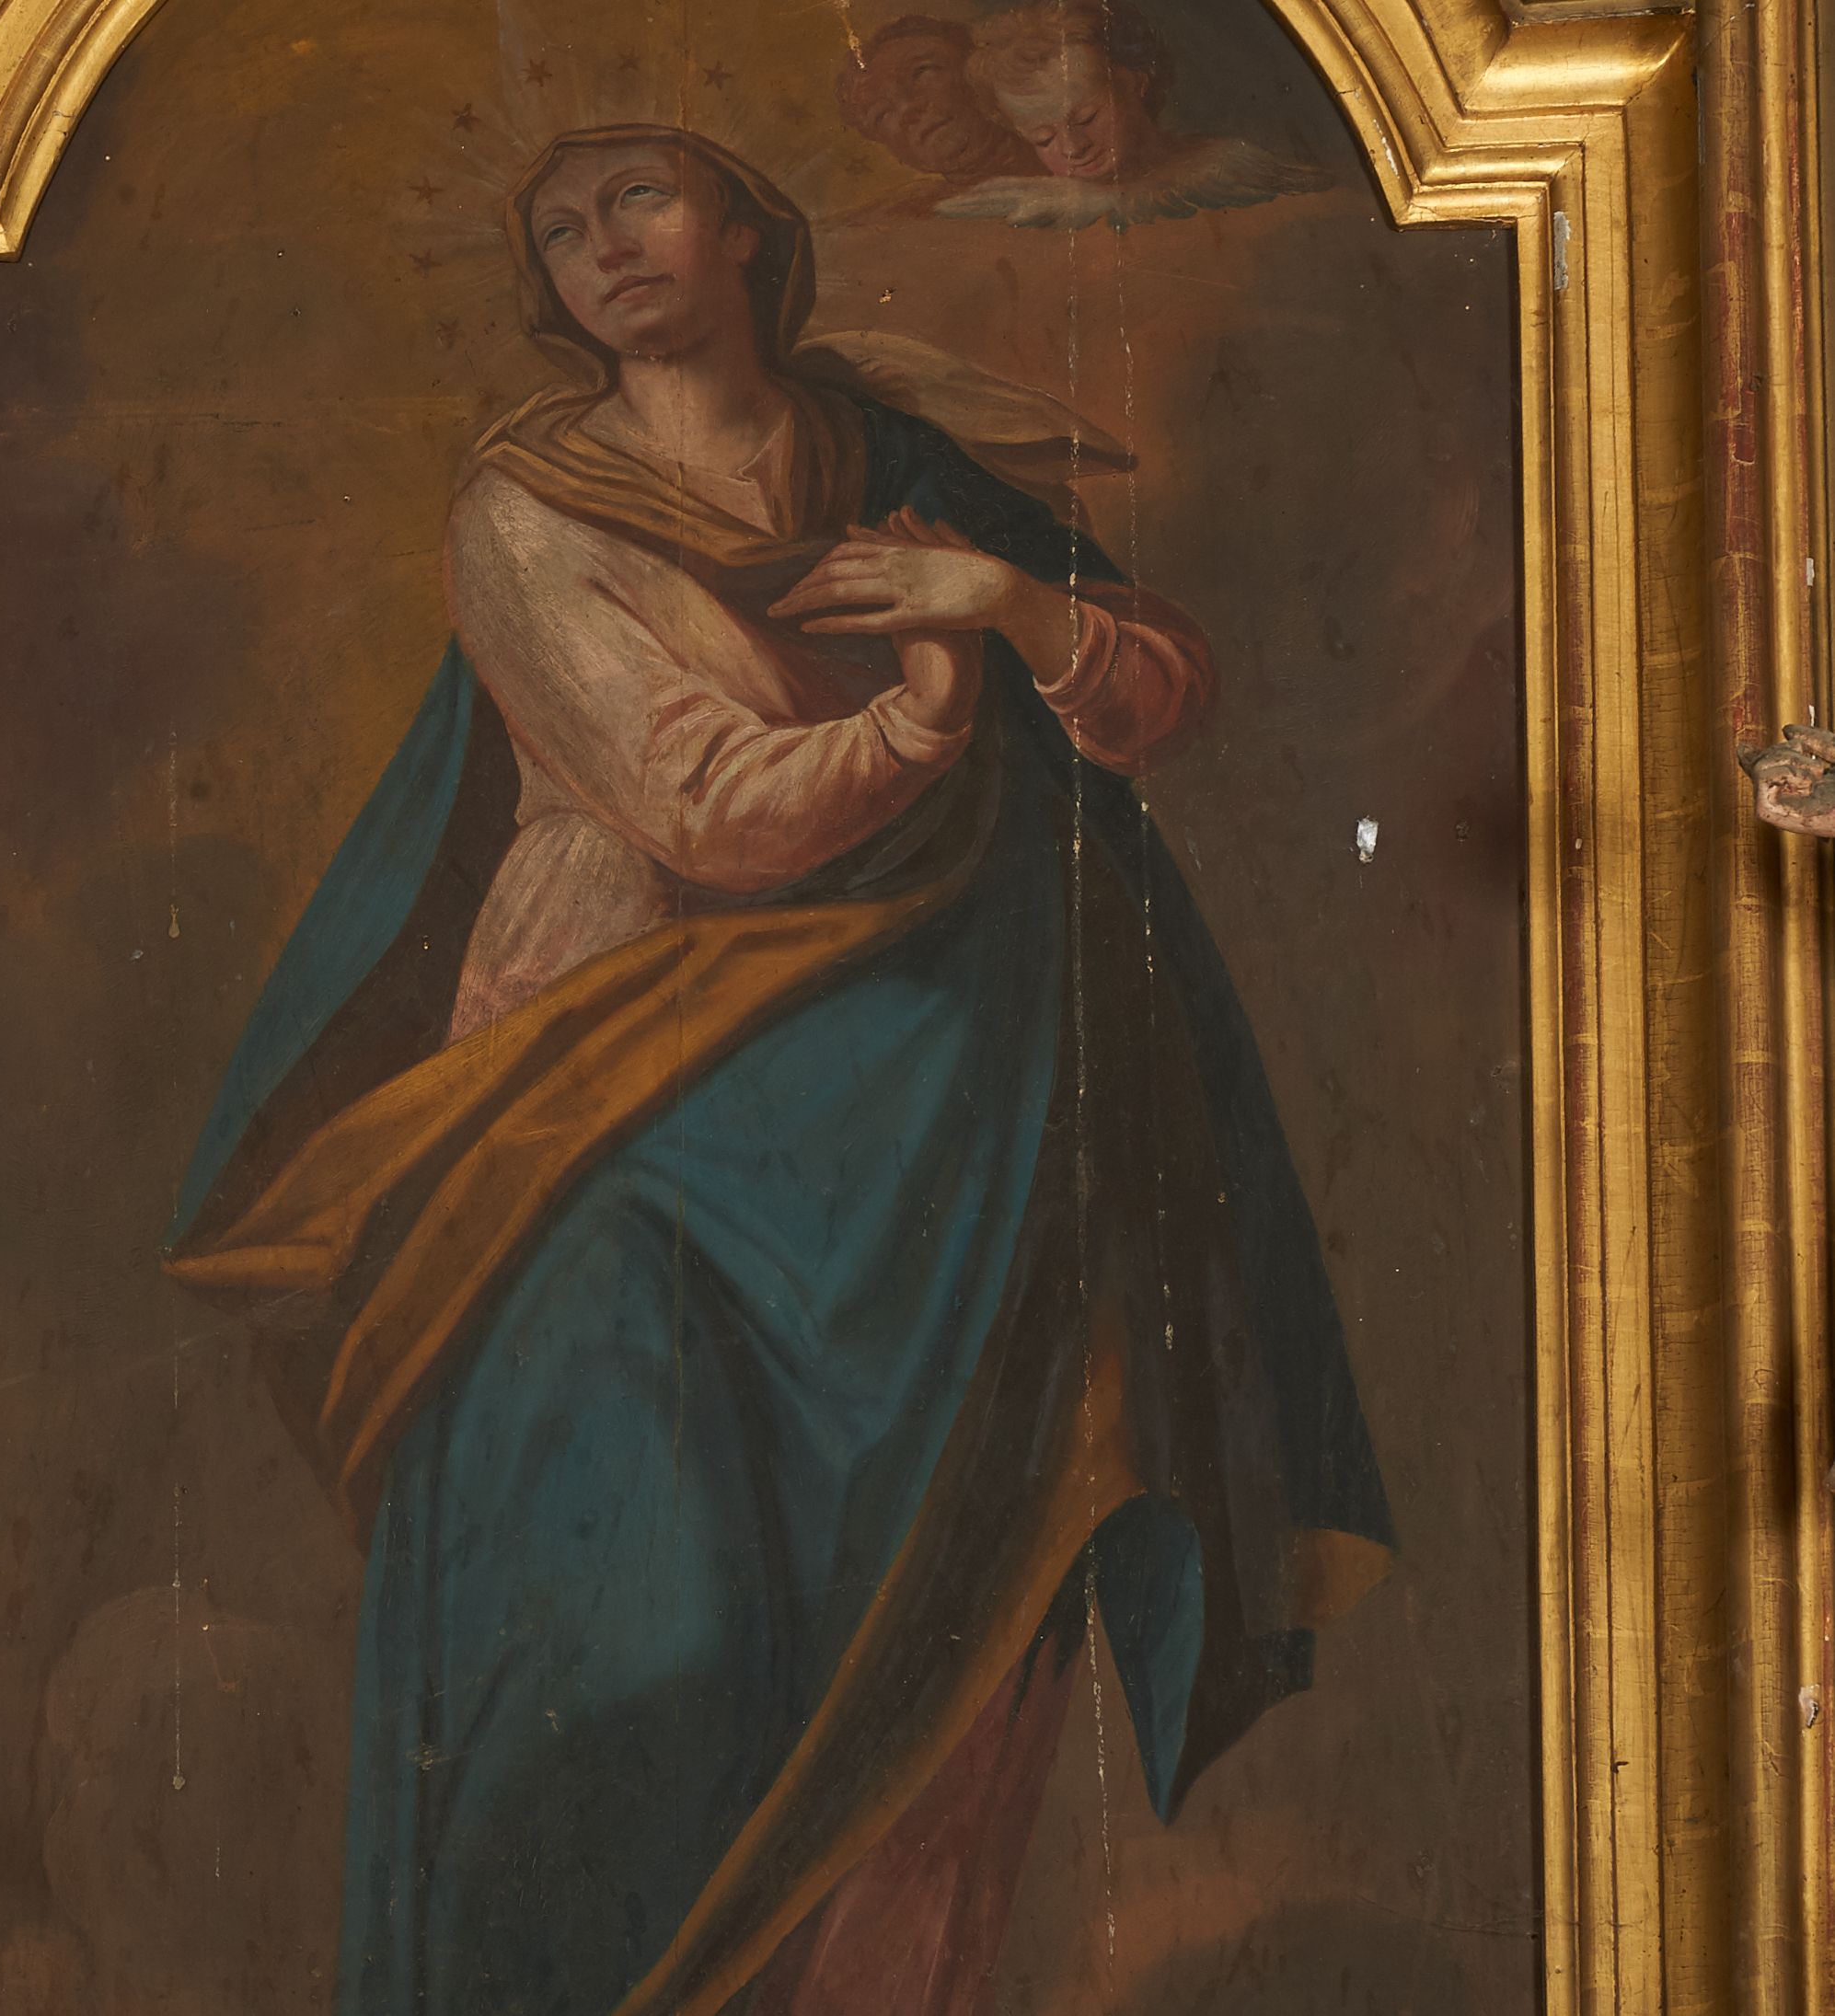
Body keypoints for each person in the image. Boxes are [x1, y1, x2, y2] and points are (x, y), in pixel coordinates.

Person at [165, 125, 1391, 2016]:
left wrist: (1008, 607)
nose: (604, 247)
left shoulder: (891, 460)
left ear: (745, 231)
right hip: (621, 1067)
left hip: (938, 1073)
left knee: (952, 1569)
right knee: (629, 1587)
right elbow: (702, 803)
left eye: (639, 201)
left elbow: (1158, 690)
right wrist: (922, 722)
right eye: (561, 231)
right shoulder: (525, 514)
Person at [943, 1, 1333, 231]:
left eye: (1087, 117)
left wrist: (1111, 200)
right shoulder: (1034, 200)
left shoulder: (1226, 166)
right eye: (1043, 139)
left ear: (1135, 83)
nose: (1074, 147)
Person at [835, 16, 1036, 181]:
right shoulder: (907, 215)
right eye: (881, 114)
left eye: (921, 73)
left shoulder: (1055, 153)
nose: (909, 110)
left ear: (977, 64)